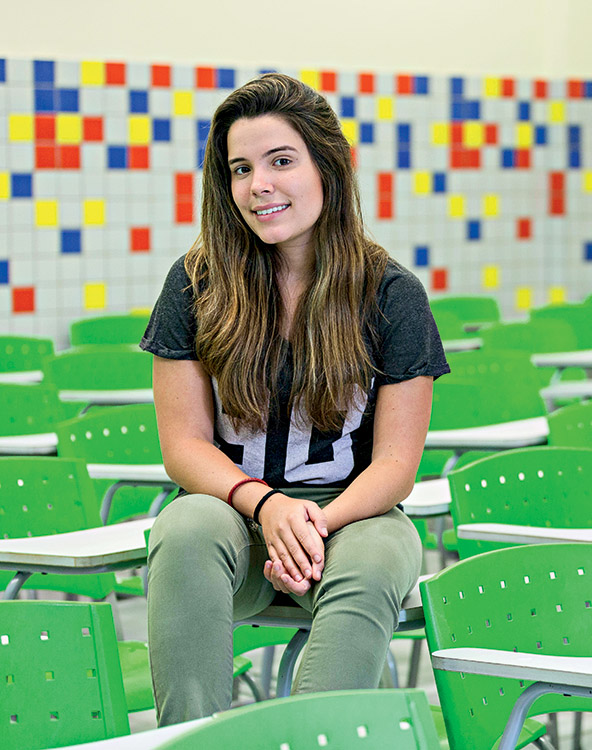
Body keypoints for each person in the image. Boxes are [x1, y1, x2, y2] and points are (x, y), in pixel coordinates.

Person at [140, 73, 449, 725]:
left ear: (326, 169)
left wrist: (311, 526)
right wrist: (268, 507)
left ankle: (311, 738)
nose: (260, 186)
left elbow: (395, 465)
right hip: (235, 514)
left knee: (377, 557)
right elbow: (184, 445)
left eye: (281, 161)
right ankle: (194, 741)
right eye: (241, 168)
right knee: (184, 526)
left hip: (349, 517)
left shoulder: (391, 294)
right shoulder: (197, 282)